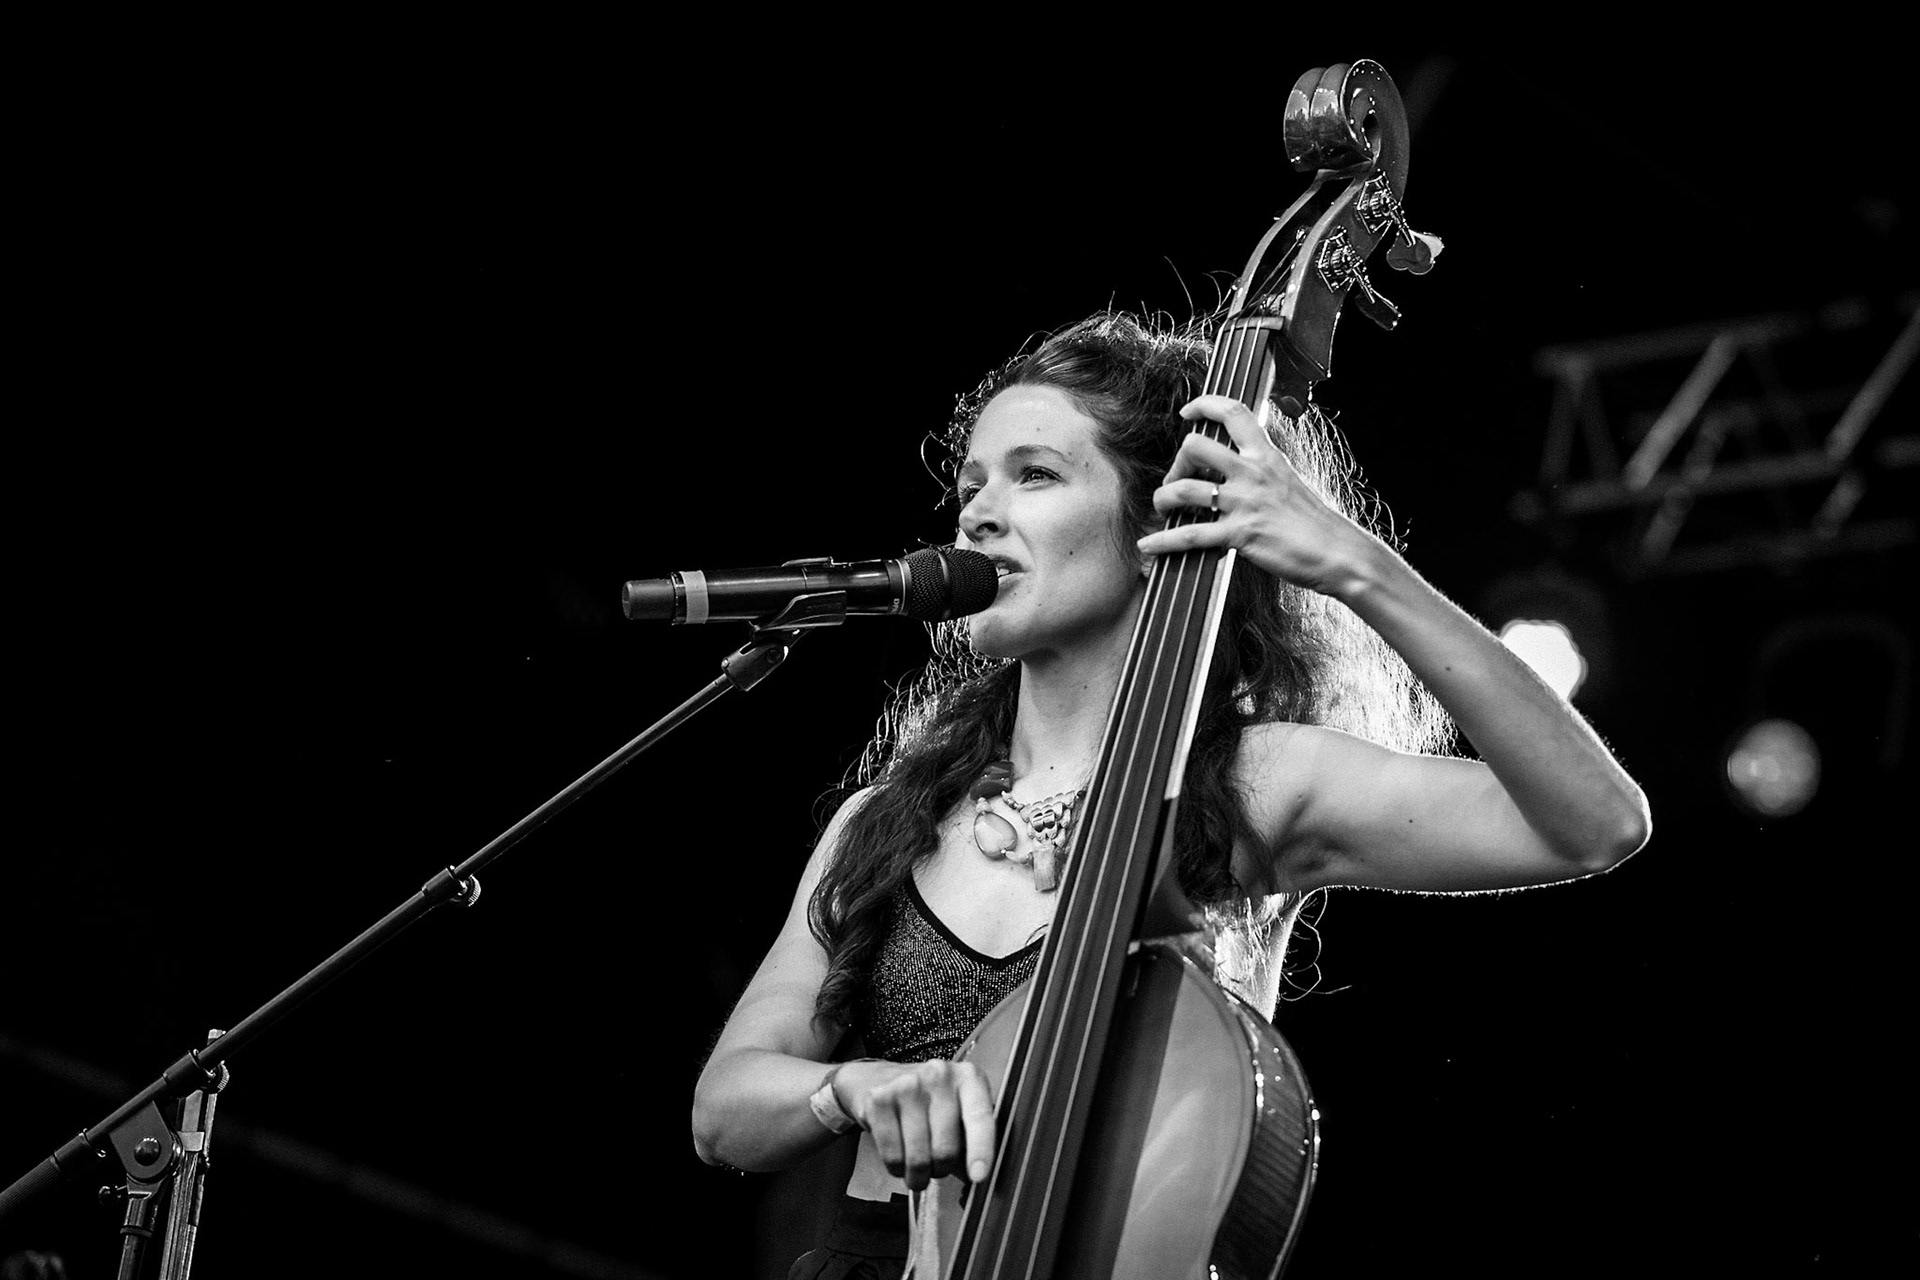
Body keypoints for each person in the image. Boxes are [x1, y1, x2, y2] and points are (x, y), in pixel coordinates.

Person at [691, 311, 1651, 1277]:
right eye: (970, 484)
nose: (977, 513)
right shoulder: (890, 821)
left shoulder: (1254, 783)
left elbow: (1593, 823)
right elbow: (725, 1110)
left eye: (1035, 475)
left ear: (1162, 519)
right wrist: (851, 1089)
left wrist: (1354, 564)